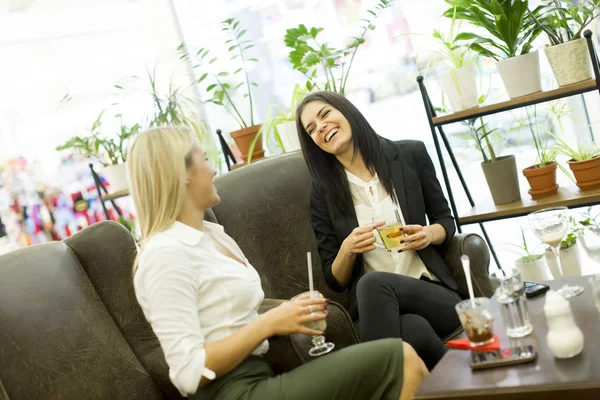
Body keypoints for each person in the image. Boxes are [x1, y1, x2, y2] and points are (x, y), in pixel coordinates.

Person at [128, 126, 429, 400]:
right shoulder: (164, 256)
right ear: (182, 173)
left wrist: (288, 313)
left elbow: (232, 318)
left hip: (263, 373)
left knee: (404, 358)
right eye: (204, 160)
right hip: (231, 392)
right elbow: (189, 373)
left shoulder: (212, 236)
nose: (212, 169)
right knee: (401, 360)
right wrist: (271, 322)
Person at [296, 91, 463, 370]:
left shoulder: (410, 154)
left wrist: (428, 234)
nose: (320, 127)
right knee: (415, 330)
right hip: (377, 310)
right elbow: (335, 279)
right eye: (311, 129)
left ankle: (373, 380)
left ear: (347, 111)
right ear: (313, 143)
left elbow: (446, 220)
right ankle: (472, 380)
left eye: (324, 115)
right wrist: (347, 250)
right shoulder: (322, 192)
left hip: (430, 290)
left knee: (373, 283)